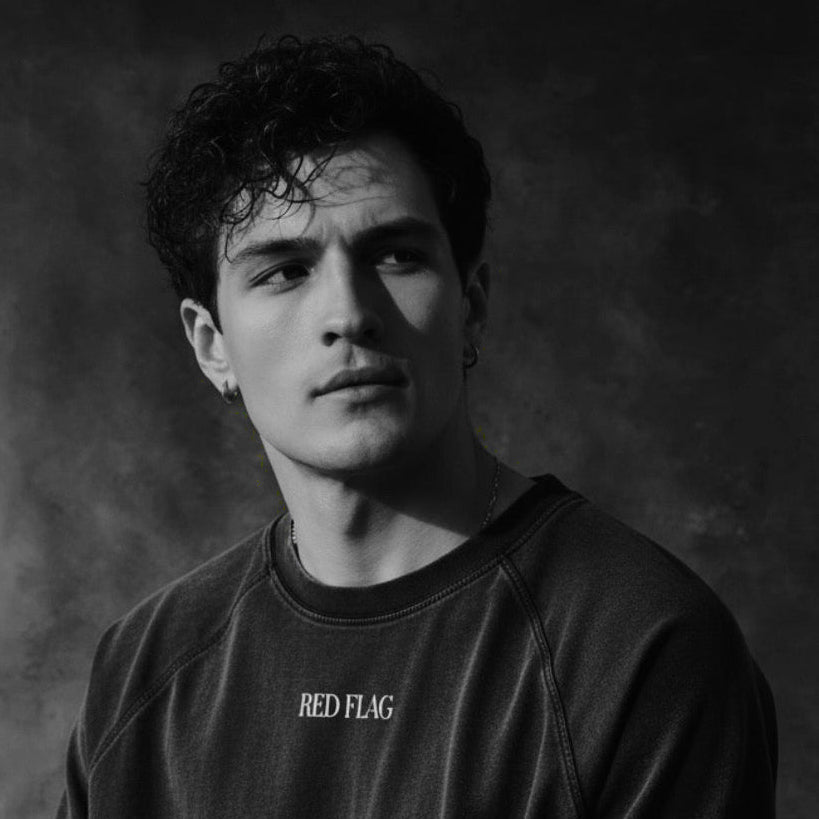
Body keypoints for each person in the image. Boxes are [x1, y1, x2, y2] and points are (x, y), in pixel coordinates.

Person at [57, 36, 777, 817]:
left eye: (394, 255)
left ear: (470, 307)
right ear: (211, 345)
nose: (347, 313)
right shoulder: (142, 671)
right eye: (284, 271)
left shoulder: (641, 646)